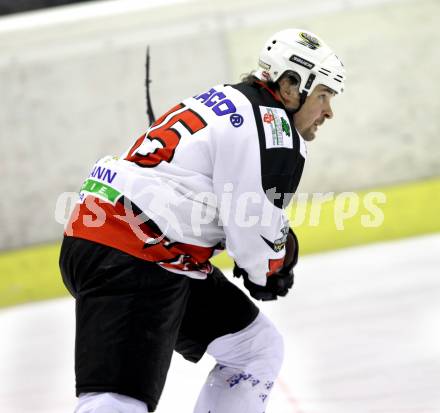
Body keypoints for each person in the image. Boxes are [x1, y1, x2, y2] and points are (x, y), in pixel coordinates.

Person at [59, 28, 346, 413]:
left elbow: (222, 206)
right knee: (116, 400)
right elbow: (256, 241)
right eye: (323, 95)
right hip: (132, 253)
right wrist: (275, 267)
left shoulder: (225, 97)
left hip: (129, 241)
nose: (328, 111)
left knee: (254, 349)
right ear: (291, 86)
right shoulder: (274, 130)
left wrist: (264, 258)